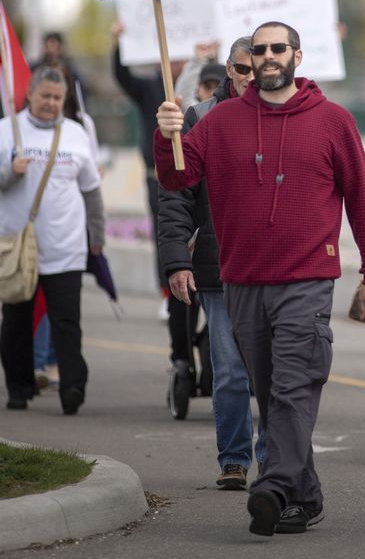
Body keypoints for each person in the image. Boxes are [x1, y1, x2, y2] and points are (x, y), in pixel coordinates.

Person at [154, 21, 365, 537]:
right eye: (258, 50)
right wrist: (166, 132)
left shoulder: (334, 121)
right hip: (241, 281)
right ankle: (304, 496)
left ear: (298, 57)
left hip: (306, 279)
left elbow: (362, 202)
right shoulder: (219, 122)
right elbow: (176, 178)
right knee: (268, 391)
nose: (267, 57)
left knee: (293, 385)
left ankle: (275, 485)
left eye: (277, 48)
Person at [157, 37, 266, 491]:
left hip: (275, 266)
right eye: (242, 70)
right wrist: (178, 260)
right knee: (230, 370)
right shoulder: (201, 118)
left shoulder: (285, 114)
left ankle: (275, 462)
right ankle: (236, 458)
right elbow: (175, 196)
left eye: (257, 70)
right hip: (219, 266)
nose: (250, 79)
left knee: (274, 373)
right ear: (228, 68)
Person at [1, 65, 105, 414]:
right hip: (19, 250)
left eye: (57, 98)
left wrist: (97, 234)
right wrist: (7, 172)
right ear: (30, 93)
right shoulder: (6, 130)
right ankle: (19, 387)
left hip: (66, 248)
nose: (50, 103)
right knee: (16, 322)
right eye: (44, 95)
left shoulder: (76, 134)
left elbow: (91, 190)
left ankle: (73, 387)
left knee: (66, 322)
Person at [111, 21, 188, 326]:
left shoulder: (197, 87)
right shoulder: (148, 87)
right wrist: (118, 45)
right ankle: (167, 293)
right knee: (164, 233)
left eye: (180, 57)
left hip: (191, 174)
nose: (175, 63)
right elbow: (122, 77)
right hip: (157, 175)